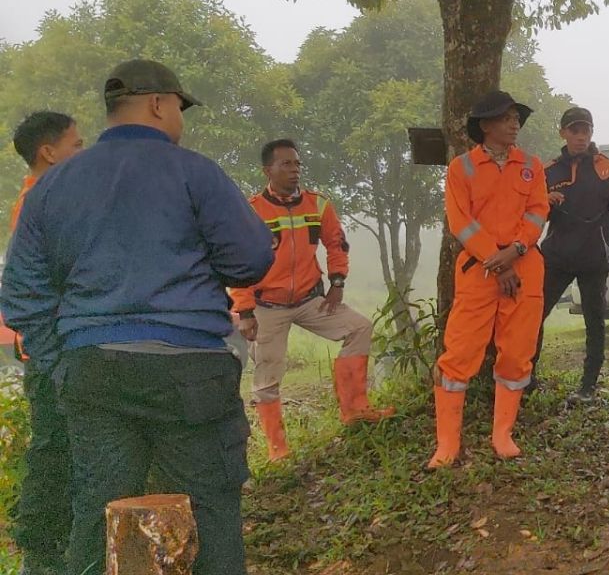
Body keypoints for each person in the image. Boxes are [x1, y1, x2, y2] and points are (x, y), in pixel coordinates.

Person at [0, 60, 275, 575]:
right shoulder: (196, 173)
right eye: (178, 107)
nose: (180, 119)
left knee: (98, 511)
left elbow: (20, 292)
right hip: (191, 372)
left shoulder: (54, 186)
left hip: (94, 370)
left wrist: (62, 358)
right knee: (209, 509)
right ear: (157, 104)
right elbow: (251, 259)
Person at [230, 139, 395, 463]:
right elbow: (235, 263)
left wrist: (337, 282)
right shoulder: (251, 212)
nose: (294, 171)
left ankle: (355, 410)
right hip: (267, 306)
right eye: (286, 164)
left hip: (310, 299)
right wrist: (245, 311)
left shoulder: (317, 205)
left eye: (297, 164)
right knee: (267, 380)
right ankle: (278, 450)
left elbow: (337, 244)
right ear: (268, 170)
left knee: (359, 327)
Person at [428, 91, 550, 468]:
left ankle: (503, 435)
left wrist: (515, 250)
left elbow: (537, 211)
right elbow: (460, 221)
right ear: (485, 126)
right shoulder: (460, 167)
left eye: (516, 117)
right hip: (479, 270)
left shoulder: (532, 165)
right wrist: (498, 262)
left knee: (516, 353)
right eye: (506, 117)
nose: (515, 124)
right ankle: (447, 445)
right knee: (460, 354)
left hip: (524, 267)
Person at [6, 111, 83, 575]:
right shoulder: (39, 203)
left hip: (56, 341)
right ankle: (40, 548)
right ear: (48, 152)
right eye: (76, 145)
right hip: (51, 345)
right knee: (55, 443)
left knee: (65, 443)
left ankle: (60, 539)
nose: (83, 153)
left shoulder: (48, 197)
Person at [532, 107, 609, 404]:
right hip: (556, 257)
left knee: (595, 321)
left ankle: (588, 386)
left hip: (594, 259)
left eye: (585, 130)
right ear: (563, 132)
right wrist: (546, 202)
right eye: (574, 130)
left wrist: (600, 229)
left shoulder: (607, 168)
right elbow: (533, 211)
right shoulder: (547, 170)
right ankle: (526, 377)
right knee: (534, 316)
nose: (580, 136)